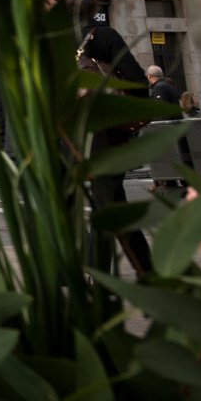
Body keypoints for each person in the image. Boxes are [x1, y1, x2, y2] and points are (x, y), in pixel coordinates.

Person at [76, 17, 154, 275]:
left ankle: (147, 272)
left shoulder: (53, 37)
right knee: (107, 202)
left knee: (112, 203)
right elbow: (137, 81)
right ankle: (98, 277)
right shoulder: (105, 36)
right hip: (107, 135)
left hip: (69, 135)